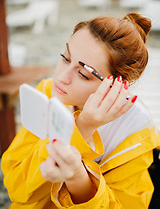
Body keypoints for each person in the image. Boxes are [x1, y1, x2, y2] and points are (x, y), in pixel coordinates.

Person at [1, 13, 160, 209]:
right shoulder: (47, 93)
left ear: (116, 86)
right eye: (65, 58)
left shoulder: (133, 133)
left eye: (83, 74)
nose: (62, 77)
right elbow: (15, 186)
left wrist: (78, 176)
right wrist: (82, 126)